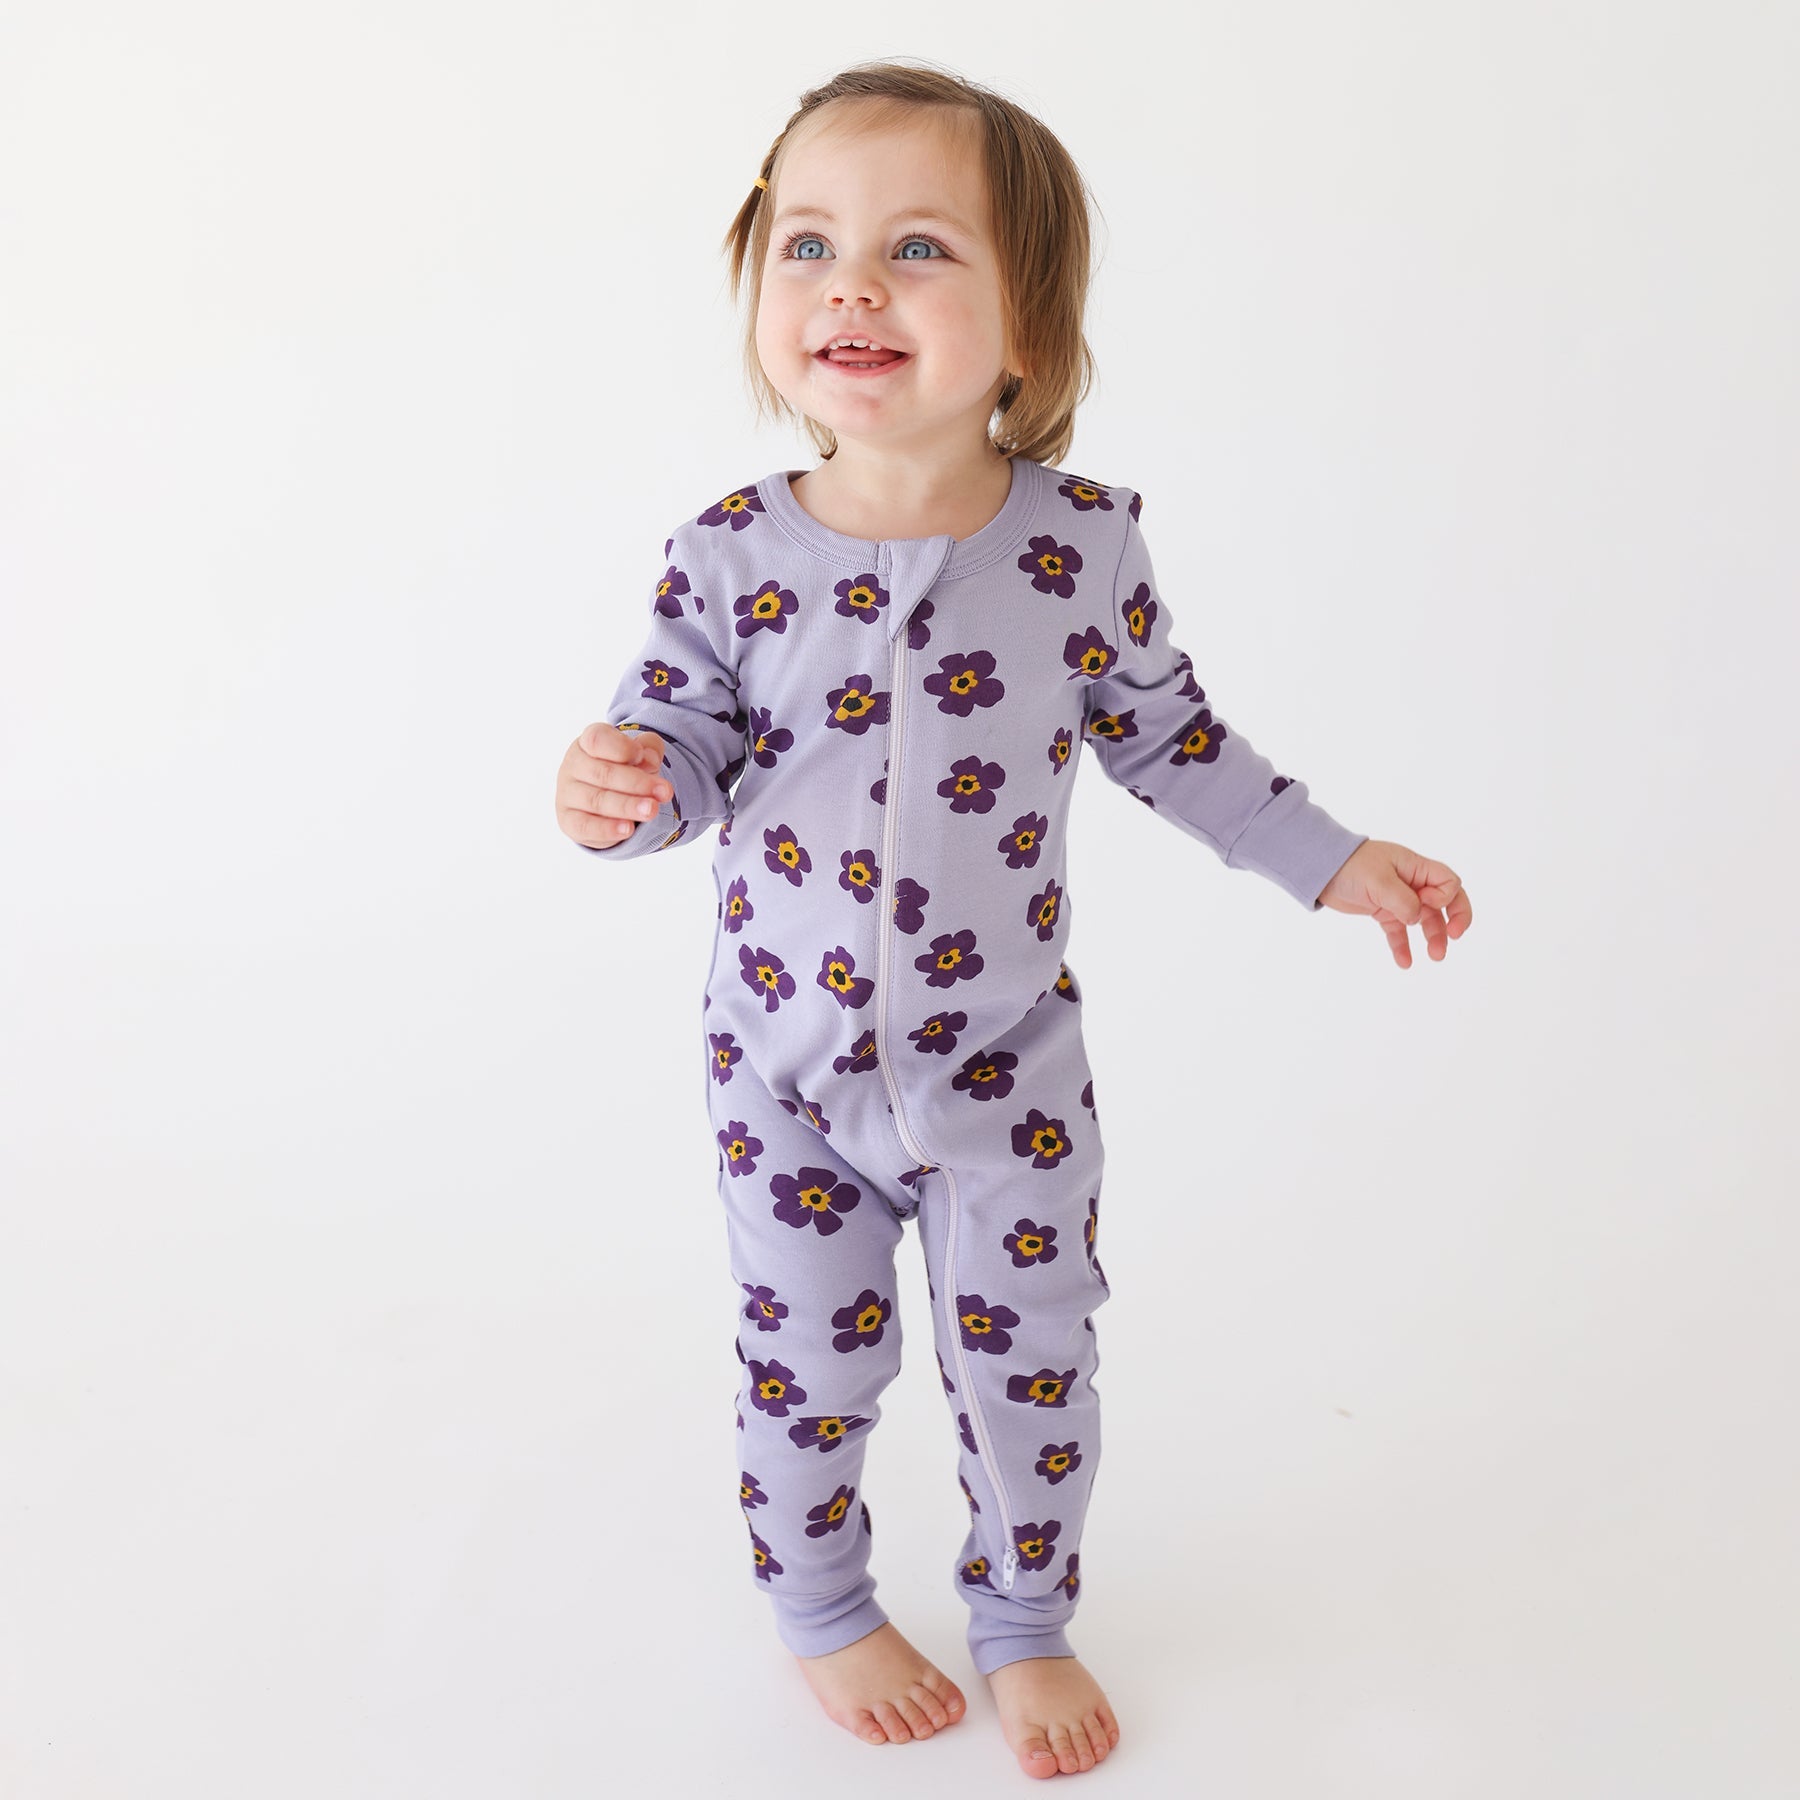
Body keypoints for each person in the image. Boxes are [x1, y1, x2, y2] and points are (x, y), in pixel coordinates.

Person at [553, 59, 1471, 1780]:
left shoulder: (1080, 551)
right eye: (809, 244)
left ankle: (1026, 1617)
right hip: (785, 1076)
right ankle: (822, 1602)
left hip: (1004, 1073)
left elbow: (1175, 745)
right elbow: (675, 750)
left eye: (917, 248)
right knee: (808, 1359)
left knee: (1031, 1365)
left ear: (1030, 327)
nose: (852, 285)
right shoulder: (725, 558)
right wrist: (626, 790)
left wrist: (1334, 858)